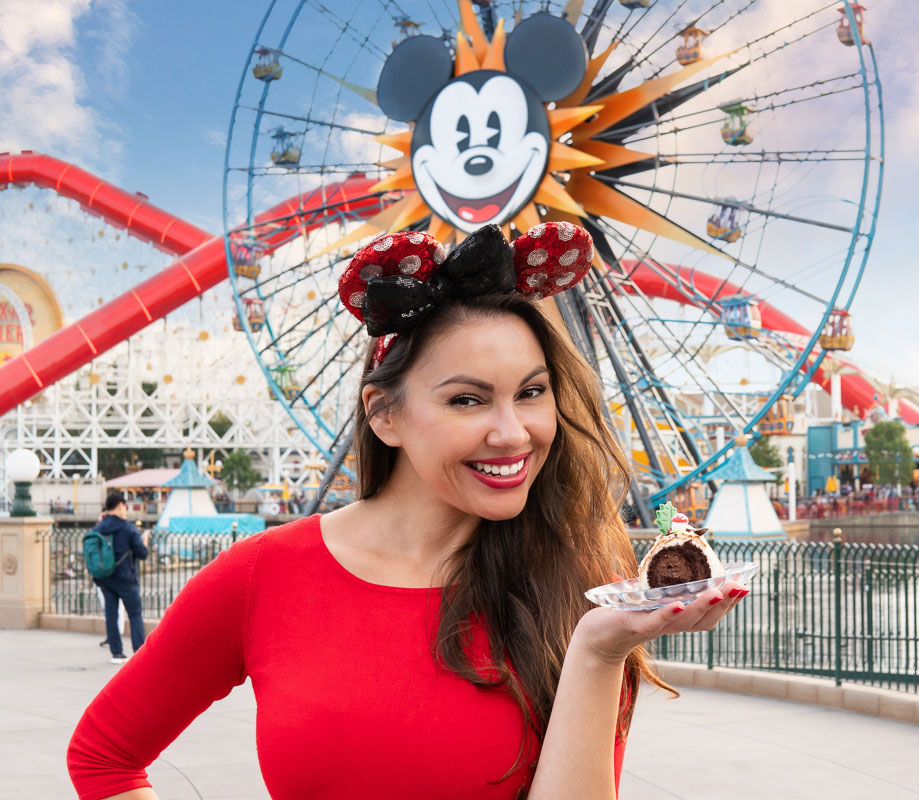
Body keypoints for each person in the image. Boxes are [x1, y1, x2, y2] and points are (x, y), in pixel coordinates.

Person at [67, 223, 748, 799]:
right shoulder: (260, 575)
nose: (513, 433)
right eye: (467, 400)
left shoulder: (583, 592)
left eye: (532, 392)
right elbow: (104, 757)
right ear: (384, 413)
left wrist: (599, 653)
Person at [91, 491, 149, 665]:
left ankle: (117, 653)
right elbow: (142, 553)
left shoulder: (98, 528)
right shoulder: (128, 527)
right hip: (125, 578)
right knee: (135, 614)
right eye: (125, 506)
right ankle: (139, 652)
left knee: (111, 613)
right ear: (119, 506)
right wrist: (144, 541)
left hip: (105, 578)